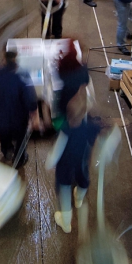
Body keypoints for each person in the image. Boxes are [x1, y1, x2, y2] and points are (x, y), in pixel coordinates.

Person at [48, 86, 102, 234]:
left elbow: (56, 153)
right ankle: (79, 199)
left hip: (65, 167)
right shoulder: (91, 127)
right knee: (84, 179)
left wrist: (50, 161)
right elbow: (102, 133)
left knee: (65, 192)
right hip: (82, 161)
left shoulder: (66, 129)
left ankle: (66, 223)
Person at [0, 50, 40, 166]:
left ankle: (7, 152)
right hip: (19, 120)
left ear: (4, 59)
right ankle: (19, 160)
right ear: (16, 61)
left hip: (2, 118)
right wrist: (35, 117)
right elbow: (31, 101)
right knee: (20, 140)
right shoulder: (24, 76)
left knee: (4, 135)